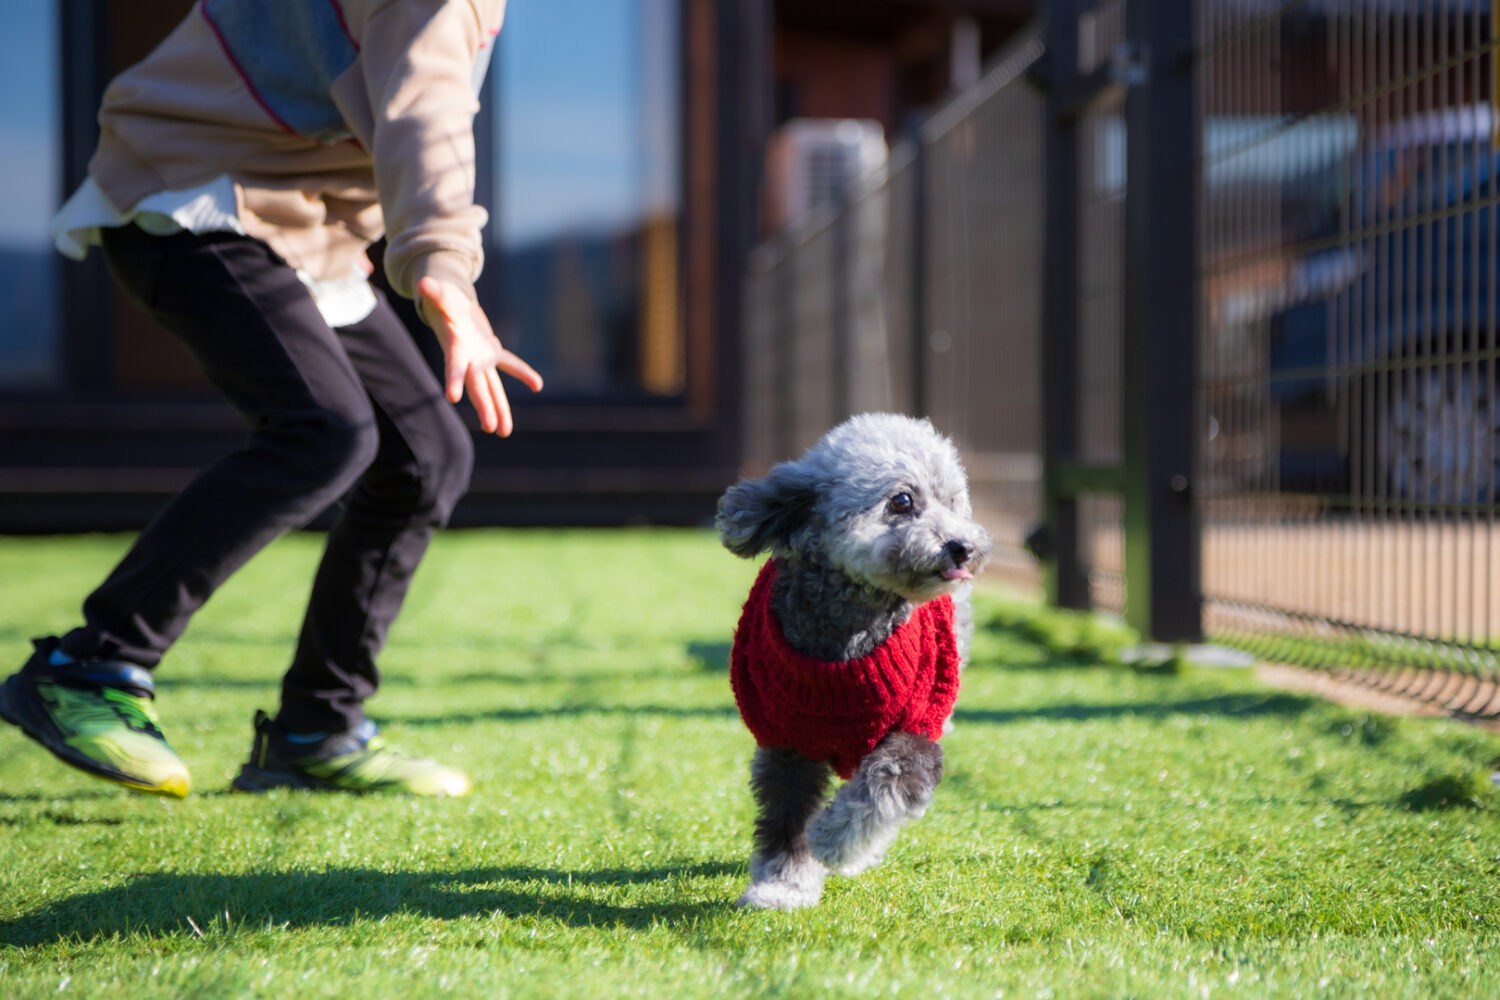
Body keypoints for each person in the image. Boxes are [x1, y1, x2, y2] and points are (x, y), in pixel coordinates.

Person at [0, 0, 540, 799]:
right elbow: (425, 115)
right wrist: (445, 272)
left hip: (299, 224)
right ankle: (87, 666)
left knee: (424, 456)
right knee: (324, 430)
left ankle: (313, 730)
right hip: (193, 193)